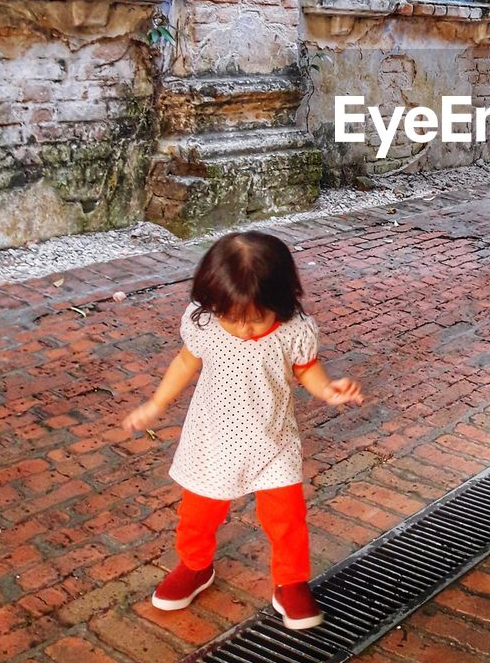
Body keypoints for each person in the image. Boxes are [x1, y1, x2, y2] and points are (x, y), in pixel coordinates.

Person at [123, 231, 363, 630]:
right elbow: (185, 363)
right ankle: (195, 566)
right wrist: (156, 404)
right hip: (211, 441)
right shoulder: (204, 323)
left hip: (273, 442)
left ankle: (291, 582)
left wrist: (328, 389)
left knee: (287, 519)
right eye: (232, 318)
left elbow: (306, 370)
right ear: (212, 301)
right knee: (198, 515)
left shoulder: (294, 330)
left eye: (257, 319)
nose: (244, 330)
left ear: (281, 302)